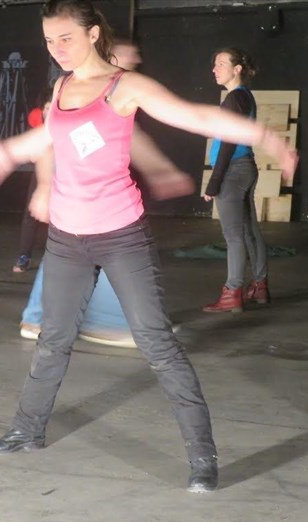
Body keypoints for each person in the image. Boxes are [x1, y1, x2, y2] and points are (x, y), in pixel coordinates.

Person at [0, 0, 297, 493]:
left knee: (156, 342)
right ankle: (26, 430)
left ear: (92, 34)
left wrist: (264, 136)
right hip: (67, 239)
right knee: (54, 339)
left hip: (121, 237)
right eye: (49, 41)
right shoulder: (61, 87)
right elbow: (48, 139)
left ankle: (202, 457)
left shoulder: (124, 87)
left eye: (66, 38)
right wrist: (7, 152)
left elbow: (195, 117)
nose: (56, 49)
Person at [19, 38, 193, 348]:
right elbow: (48, 142)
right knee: (80, 252)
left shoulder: (116, 96)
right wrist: (44, 187)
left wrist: (162, 171)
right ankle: (56, 319)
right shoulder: (76, 91)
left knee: (89, 252)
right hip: (74, 192)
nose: (134, 62)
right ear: (108, 56)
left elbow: (132, 140)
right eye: (128, 56)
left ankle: (80, 320)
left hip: (94, 198)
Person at [202, 48, 268, 313]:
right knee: (249, 230)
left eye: (221, 63)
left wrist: (214, 182)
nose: (214, 69)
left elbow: (228, 142)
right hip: (245, 168)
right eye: (214, 64)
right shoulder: (244, 96)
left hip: (233, 171)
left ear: (237, 69)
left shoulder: (235, 98)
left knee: (234, 235)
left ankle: (232, 292)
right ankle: (259, 286)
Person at [12, 89, 54, 272]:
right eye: (47, 108)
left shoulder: (67, 121)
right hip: (43, 172)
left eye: (53, 108)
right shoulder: (37, 119)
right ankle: (24, 255)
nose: (49, 111)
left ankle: (59, 258)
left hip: (66, 173)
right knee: (31, 213)